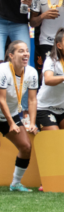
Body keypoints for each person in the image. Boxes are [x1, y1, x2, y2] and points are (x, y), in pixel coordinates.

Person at [0, 40, 38, 192]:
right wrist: (11, 123)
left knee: (26, 147)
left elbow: (32, 99)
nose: (26, 54)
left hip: (10, 114)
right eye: (21, 51)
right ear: (11, 55)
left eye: (27, 51)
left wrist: (32, 123)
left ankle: (15, 183)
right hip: (6, 114)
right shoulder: (2, 70)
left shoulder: (31, 72)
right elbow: (1, 99)